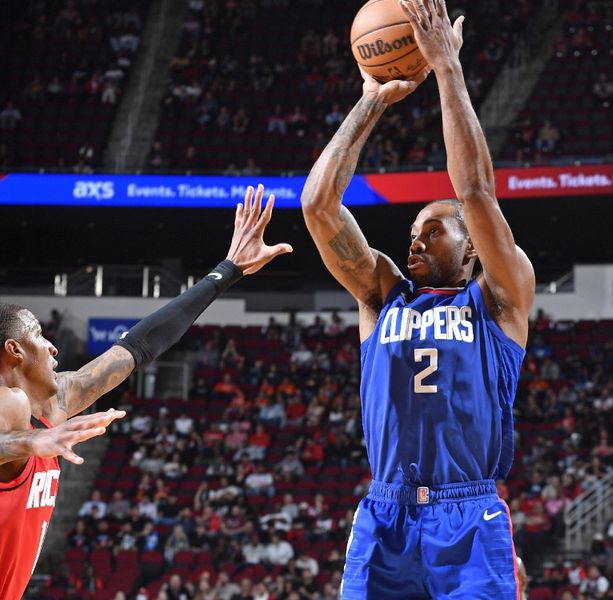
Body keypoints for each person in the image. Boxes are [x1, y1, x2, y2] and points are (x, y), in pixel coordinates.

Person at [300, 0, 535, 595]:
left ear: (473, 249)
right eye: (412, 233)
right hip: (386, 511)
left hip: (467, 511)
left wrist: (447, 70)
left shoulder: (499, 300)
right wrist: (370, 102)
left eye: (434, 230)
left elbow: (476, 190)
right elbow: (317, 206)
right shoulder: (383, 297)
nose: (417, 241)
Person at [0, 185, 291, 598]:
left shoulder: (55, 402)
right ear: (13, 350)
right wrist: (34, 440)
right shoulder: (8, 402)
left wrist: (227, 271)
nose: (52, 346)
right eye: (38, 336)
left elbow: (139, 345)